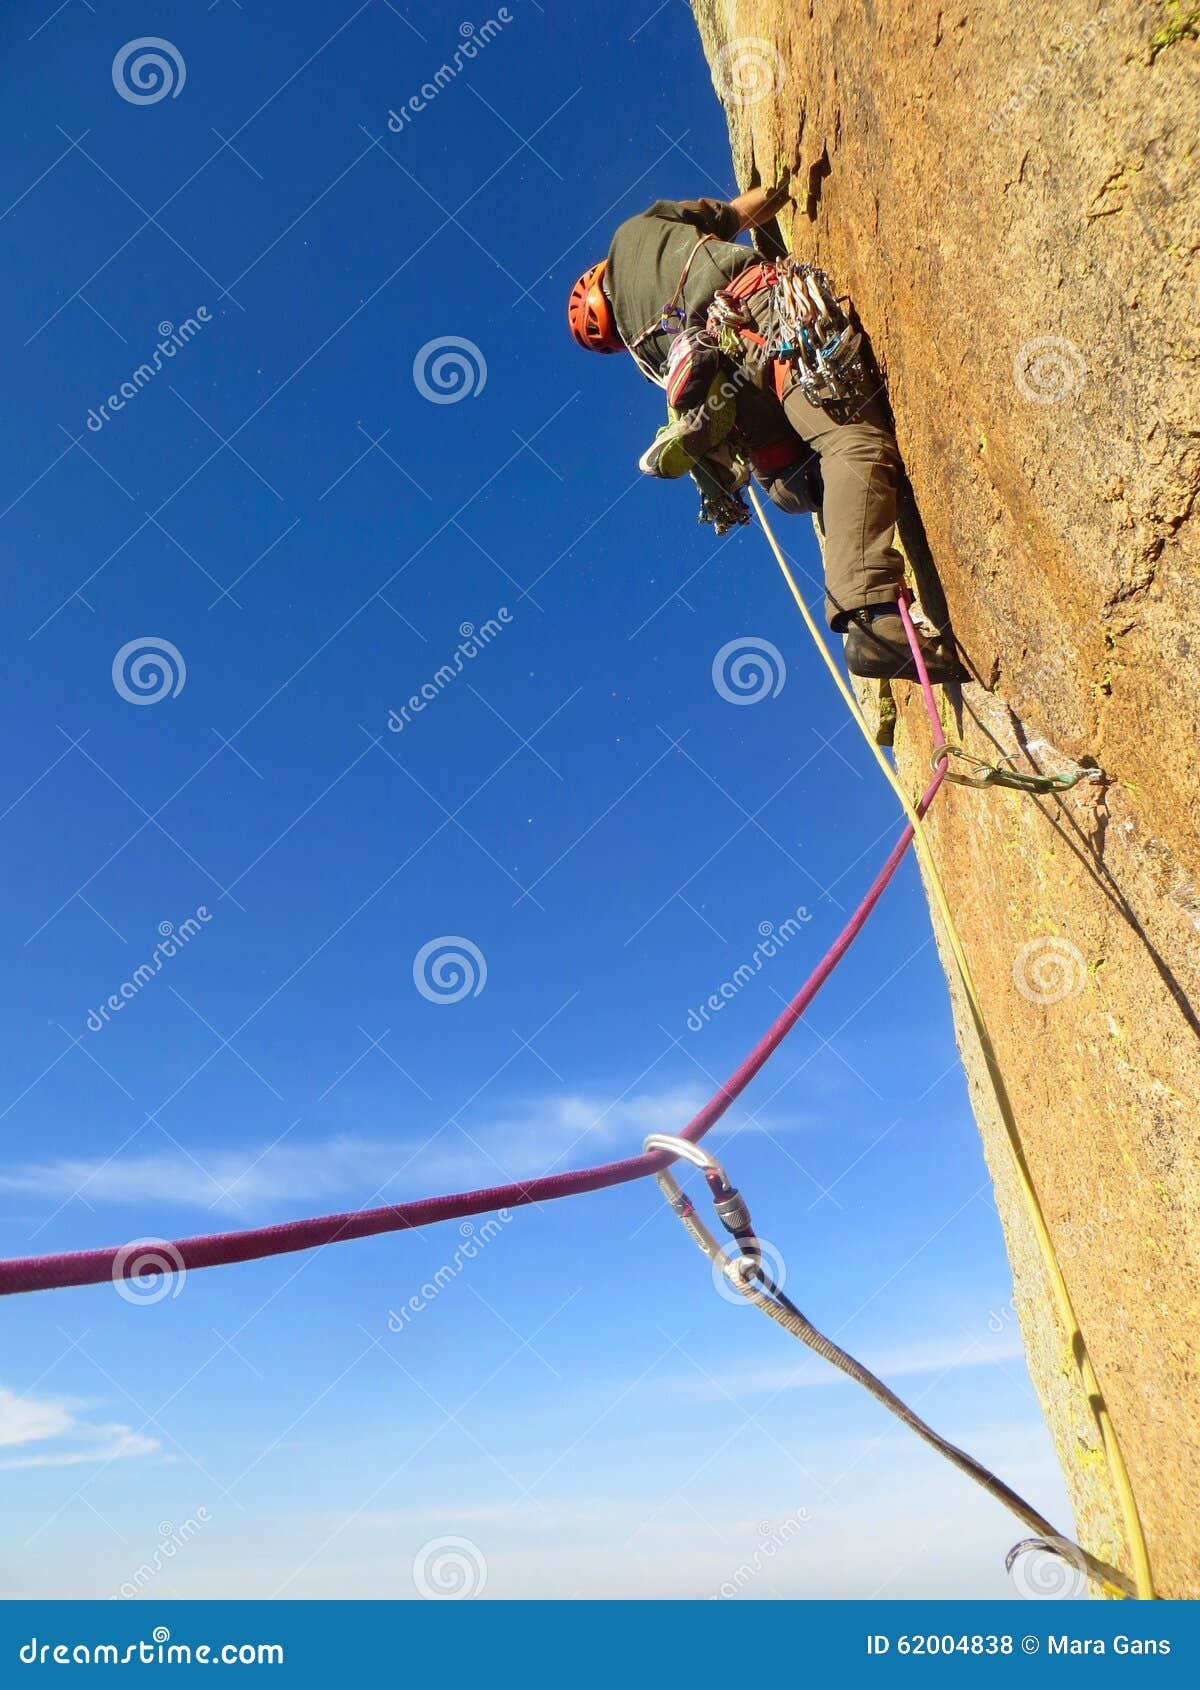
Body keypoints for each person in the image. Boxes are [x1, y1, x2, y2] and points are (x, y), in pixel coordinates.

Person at [567, 185, 960, 683]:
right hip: (758, 313)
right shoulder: (636, 231)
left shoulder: (642, 350)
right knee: (850, 440)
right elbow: (736, 212)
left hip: (730, 385)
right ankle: (871, 617)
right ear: (600, 272)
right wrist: (783, 186)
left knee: (791, 482)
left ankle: (740, 445)